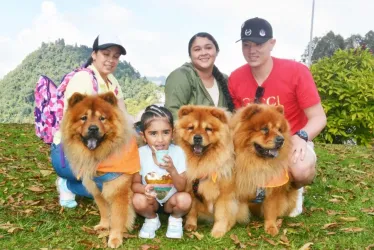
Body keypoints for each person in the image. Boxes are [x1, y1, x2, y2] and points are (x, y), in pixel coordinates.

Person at [228, 17, 327, 216]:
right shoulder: (235, 78)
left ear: (272, 43)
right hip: (257, 143)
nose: (252, 50)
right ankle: (252, 191)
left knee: (301, 170)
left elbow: (319, 118)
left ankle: (293, 190)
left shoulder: (297, 71)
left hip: (292, 141)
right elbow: (240, 124)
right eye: (246, 45)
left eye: (259, 44)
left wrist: (302, 136)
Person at [51, 34, 139, 208]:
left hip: (98, 145)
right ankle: (68, 184)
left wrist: (140, 130)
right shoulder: (83, 79)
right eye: (106, 54)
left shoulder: (112, 82)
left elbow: (124, 117)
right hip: (70, 151)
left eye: (115, 56)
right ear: (94, 54)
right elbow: (72, 124)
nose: (111, 60)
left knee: (127, 175)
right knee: (112, 184)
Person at [132, 105, 192, 239]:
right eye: (153, 133)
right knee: (137, 200)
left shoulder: (178, 152)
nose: (160, 139)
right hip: (150, 200)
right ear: (144, 136)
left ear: (172, 133)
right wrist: (144, 189)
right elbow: (134, 184)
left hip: (171, 200)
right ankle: (152, 219)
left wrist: (172, 170)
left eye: (165, 132)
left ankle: (175, 219)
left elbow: (182, 187)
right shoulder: (140, 154)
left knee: (185, 200)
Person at [164, 32, 234, 120]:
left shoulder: (225, 79)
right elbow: (172, 113)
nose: (203, 53)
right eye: (197, 49)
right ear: (190, 55)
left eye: (208, 48)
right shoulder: (181, 76)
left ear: (217, 51)